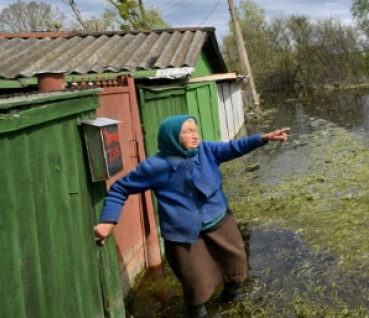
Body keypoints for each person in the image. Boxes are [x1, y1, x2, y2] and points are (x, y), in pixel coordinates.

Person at [94, 114, 289, 318]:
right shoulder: (155, 166)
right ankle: (199, 313)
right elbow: (120, 189)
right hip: (184, 235)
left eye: (195, 130)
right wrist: (108, 221)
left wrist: (263, 138)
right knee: (195, 282)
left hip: (220, 222)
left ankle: (231, 298)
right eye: (187, 132)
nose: (194, 136)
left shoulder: (206, 150)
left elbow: (233, 147)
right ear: (172, 137)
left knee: (236, 264)